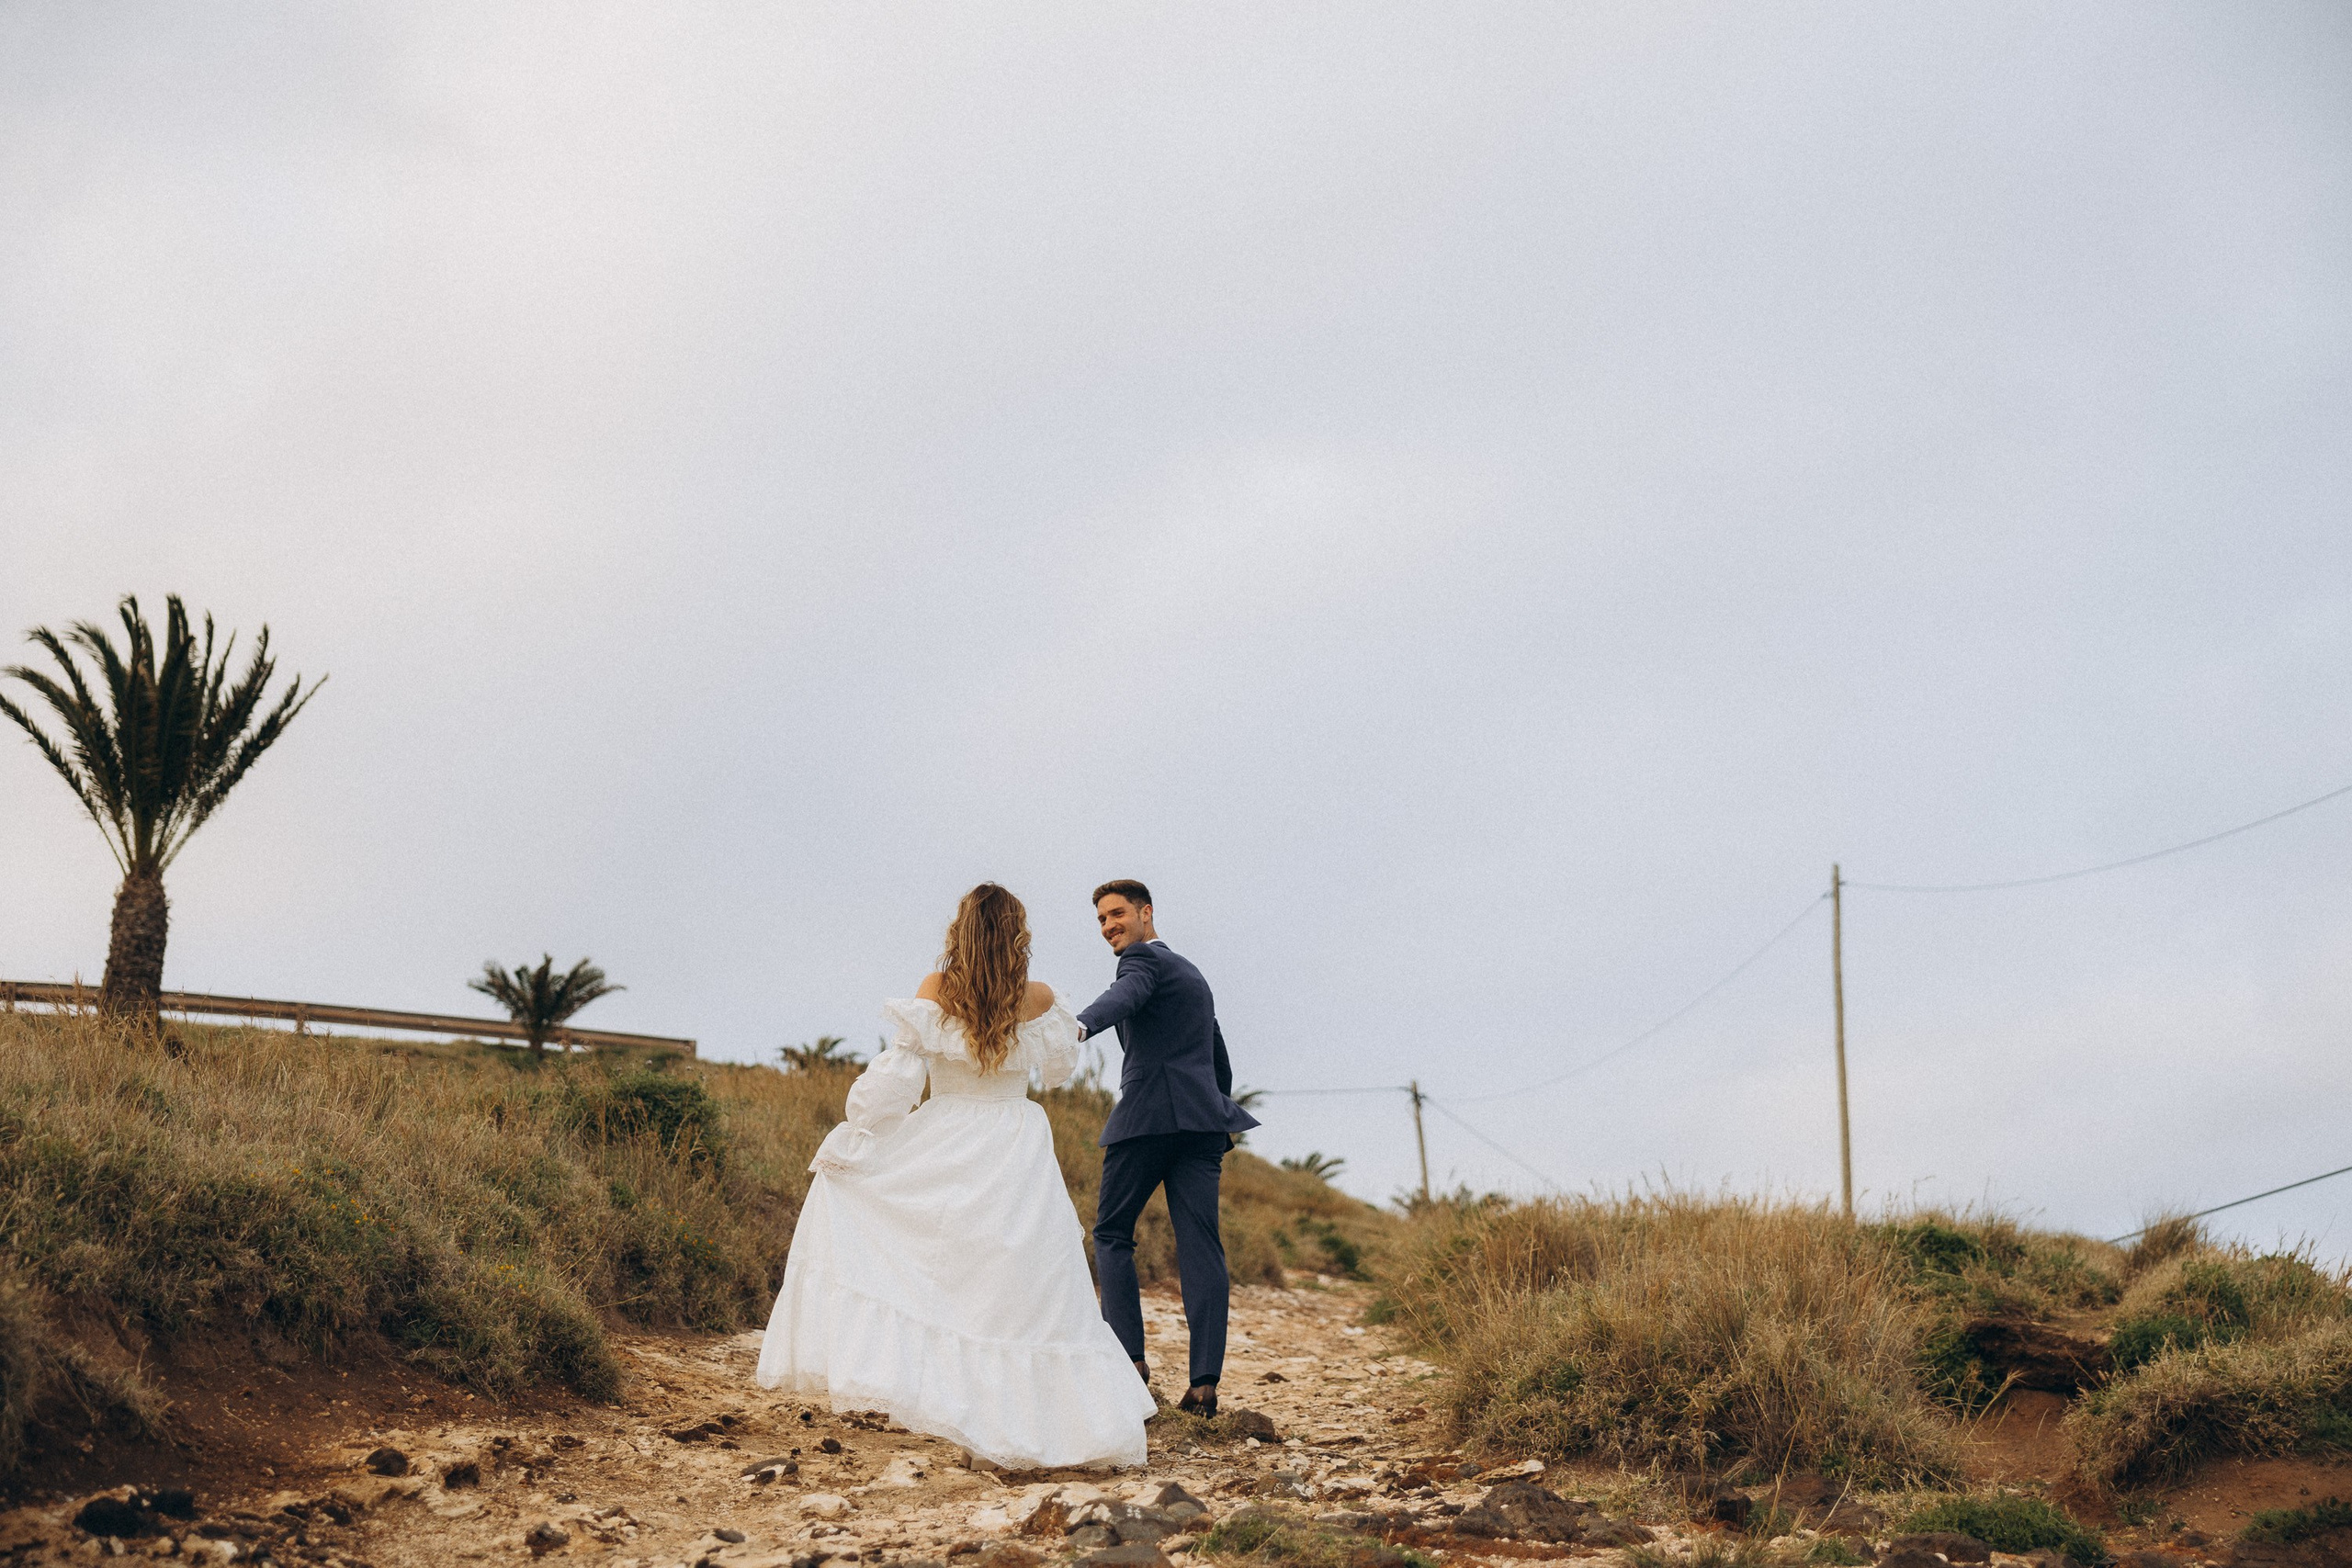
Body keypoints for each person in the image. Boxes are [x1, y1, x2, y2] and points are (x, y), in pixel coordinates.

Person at [756, 883, 1153, 1471]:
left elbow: (897, 1081)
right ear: (1018, 936)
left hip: (947, 1132)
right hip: (1015, 1139)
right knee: (1019, 1289)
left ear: (960, 932)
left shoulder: (937, 990)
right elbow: (1058, 1073)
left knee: (953, 1278)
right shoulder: (1039, 998)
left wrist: (861, 1128)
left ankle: (963, 1410)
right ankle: (1034, 1422)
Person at [1076, 880, 1260, 1418]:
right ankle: (1204, 1384)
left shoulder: (1140, 962)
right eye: (1102, 920)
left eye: (1117, 914)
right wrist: (1211, 1104)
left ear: (1145, 913)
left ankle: (1130, 1361)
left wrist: (1077, 1027)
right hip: (1203, 1123)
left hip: (1148, 1118)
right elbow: (1218, 1055)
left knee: (1111, 1232)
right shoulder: (1193, 976)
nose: (1110, 926)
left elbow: (1123, 997)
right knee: (1201, 1244)